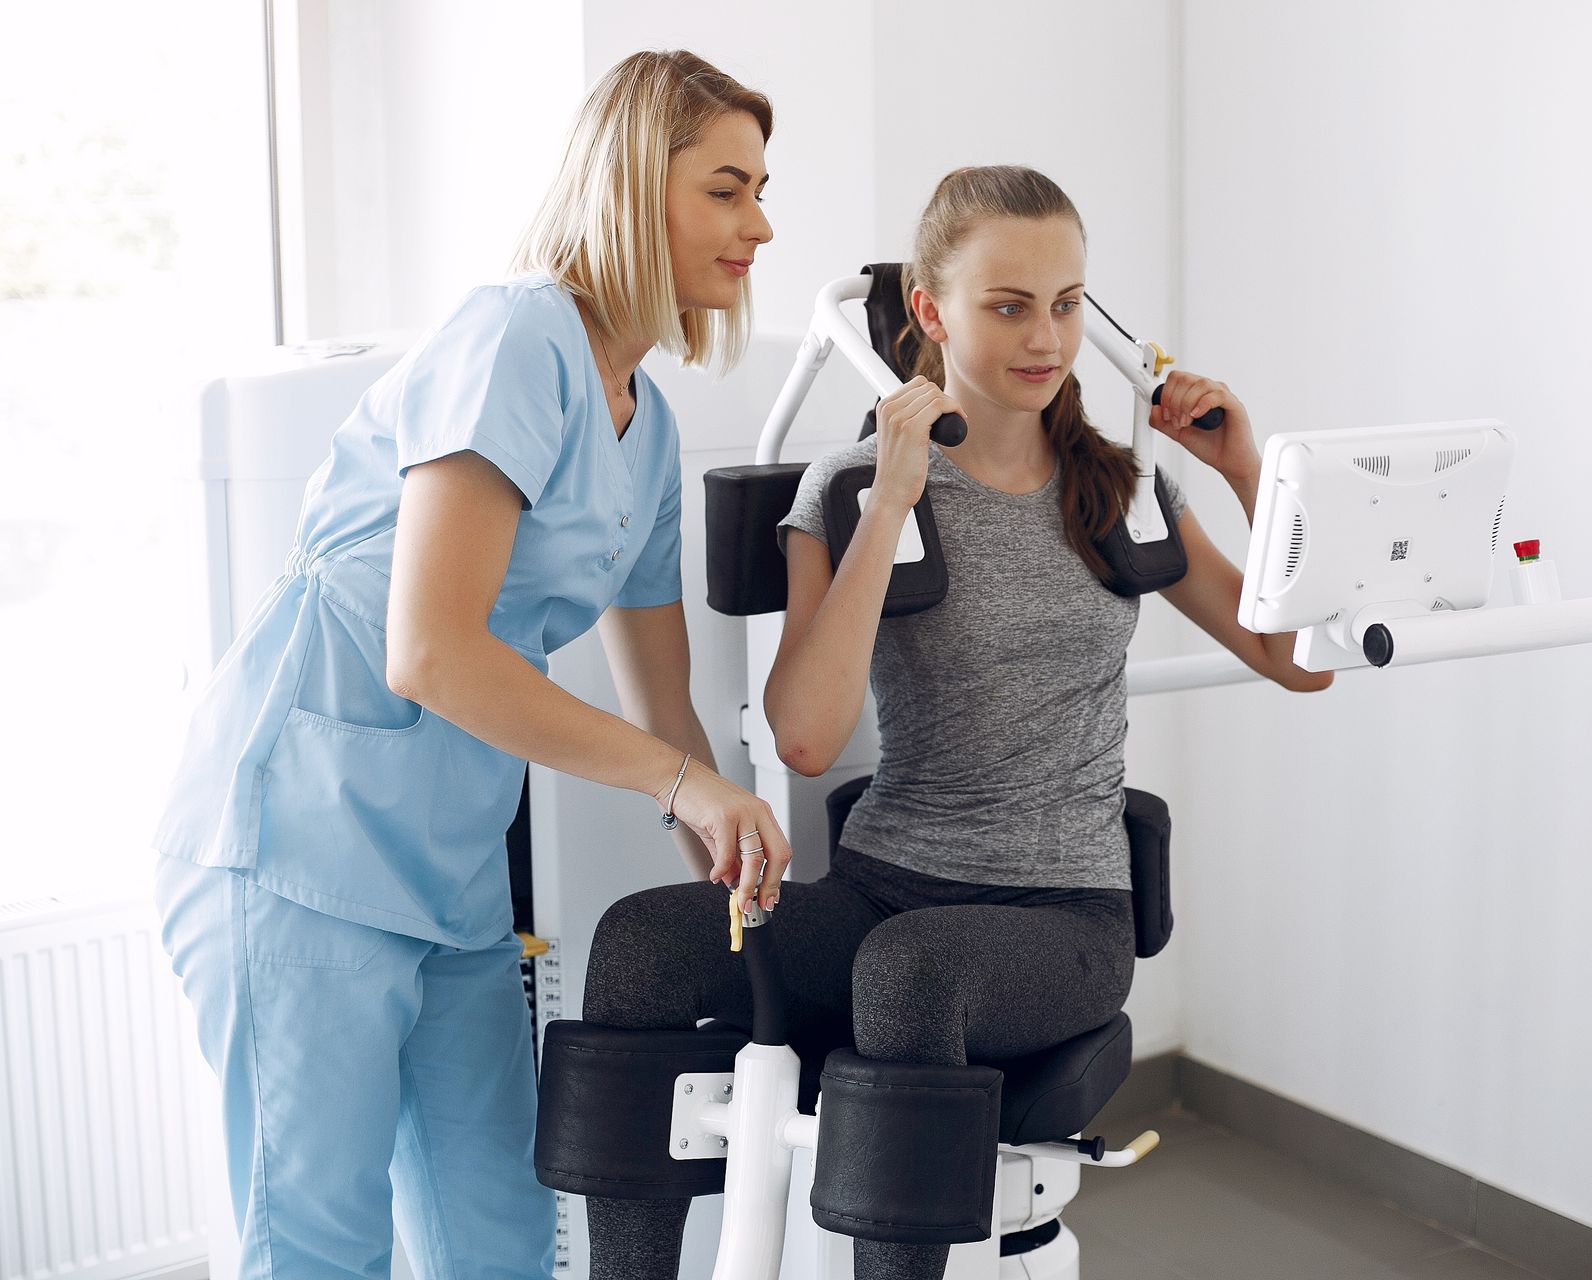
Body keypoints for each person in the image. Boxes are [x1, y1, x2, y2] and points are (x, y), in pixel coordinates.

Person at [581, 164, 1332, 1280]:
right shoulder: (845, 489)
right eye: (1010, 305)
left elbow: (1291, 658)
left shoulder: (1121, 488)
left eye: (1068, 304)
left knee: (910, 974)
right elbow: (803, 737)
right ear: (931, 314)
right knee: (642, 942)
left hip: (1064, 914)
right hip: (888, 885)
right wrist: (891, 498)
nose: (1048, 338)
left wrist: (1242, 470)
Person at [150, 50, 792, 1280]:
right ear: (626, 184)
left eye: (761, 188)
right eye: (725, 188)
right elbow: (431, 651)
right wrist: (676, 784)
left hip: (448, 887)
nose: (759, 223)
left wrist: (730, 863)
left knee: (495, 1236)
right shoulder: (516, 335)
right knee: (318, 1250)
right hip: (297, 849)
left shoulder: (643, 420)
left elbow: (669, 706)